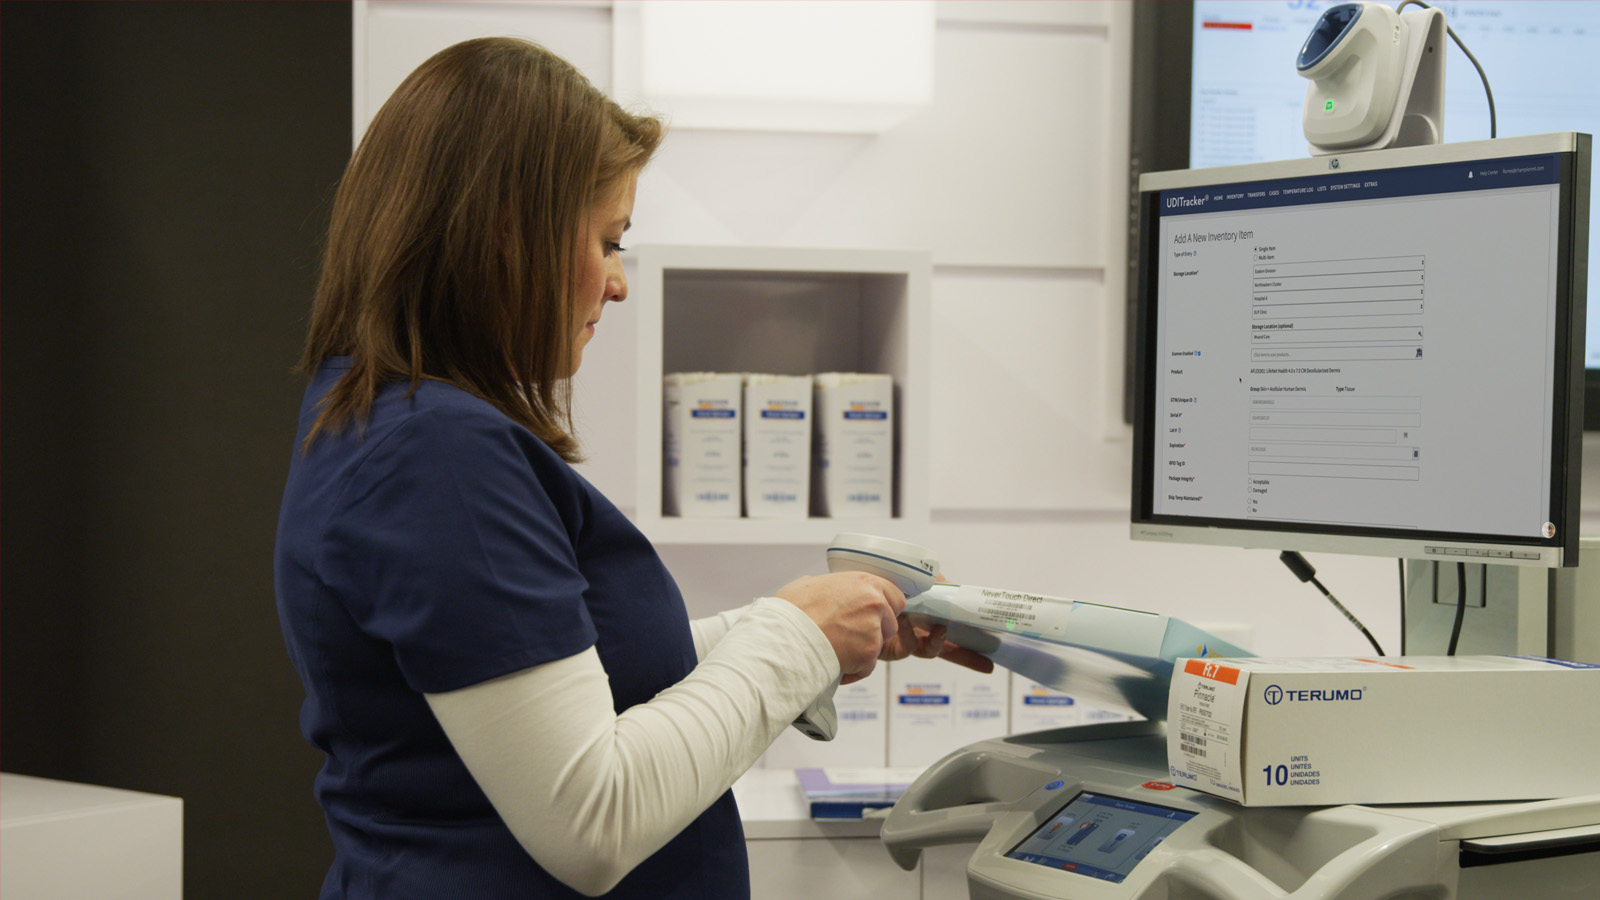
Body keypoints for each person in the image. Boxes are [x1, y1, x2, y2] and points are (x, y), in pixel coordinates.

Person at [274, 36, 990, 900]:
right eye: (609, 240)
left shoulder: (387, 422)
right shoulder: (437, 457)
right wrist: (794, 642)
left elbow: (561, 694)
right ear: (509, 232)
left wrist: (810, 623)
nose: (617, 282)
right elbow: (591, 818)